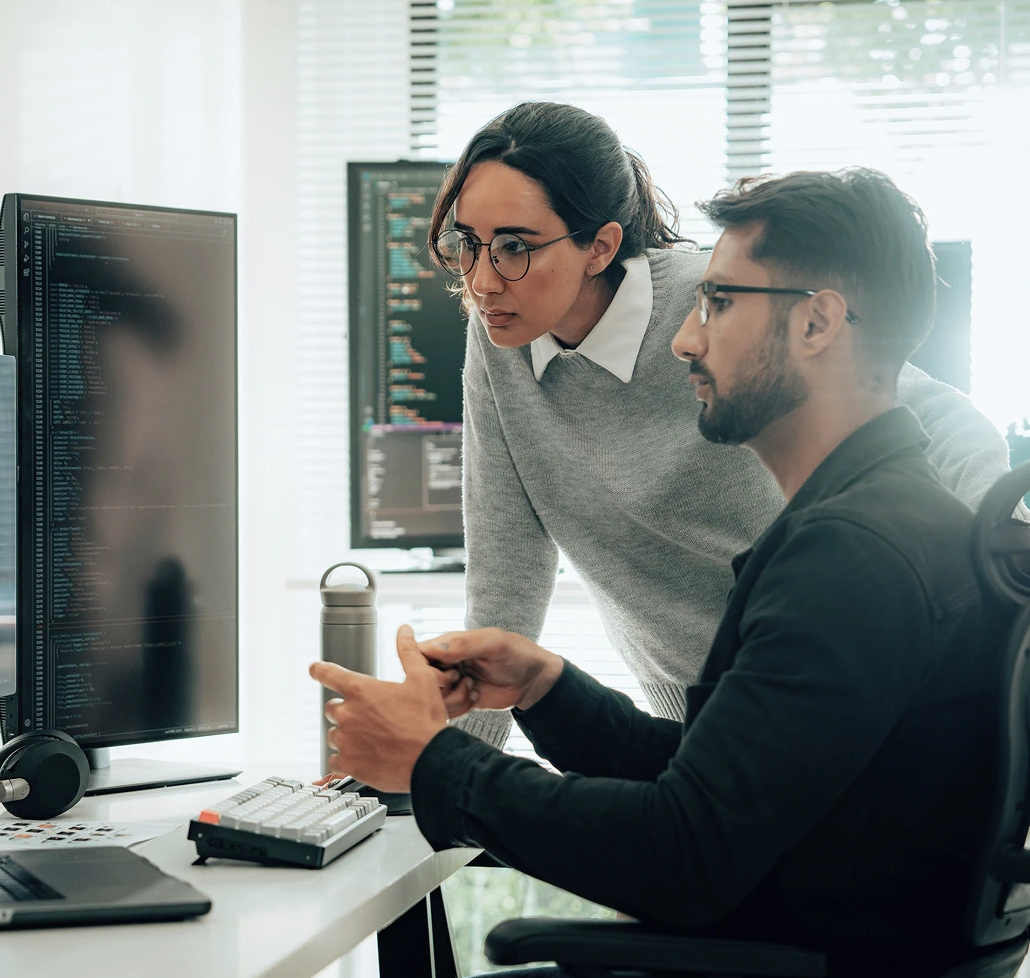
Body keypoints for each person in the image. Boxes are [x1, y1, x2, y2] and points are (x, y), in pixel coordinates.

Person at [311, 168, 1006, 978]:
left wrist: (431, 762)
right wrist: (548, 689)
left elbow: (684, 852)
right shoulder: (886, 520)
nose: (684, 338)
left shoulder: (850, 556)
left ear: (818, 323)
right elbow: (714, 786)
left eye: (717, 303)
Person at [433, 101, 1012, 745]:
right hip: (686, 714)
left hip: (816, 689)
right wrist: (437, 787)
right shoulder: (500, 335)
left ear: (600, 247)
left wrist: (998, 596)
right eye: (465, 244)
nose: (482, 280)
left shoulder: (714, 301)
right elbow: (504, 576)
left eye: (515, 246)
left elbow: (935, 418)